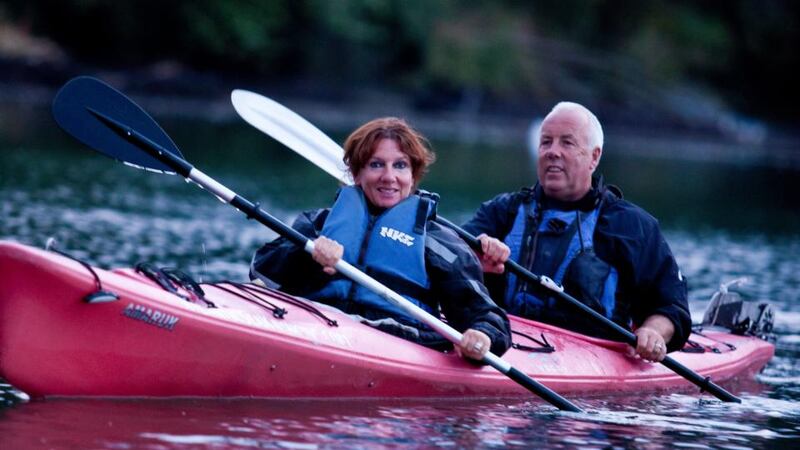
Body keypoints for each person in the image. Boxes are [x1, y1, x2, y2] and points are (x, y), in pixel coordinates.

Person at [250, 117, 511, 361]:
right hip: (314, 327)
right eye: (376, 164)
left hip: (395, 343)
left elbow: (486, 315)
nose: (389, 177)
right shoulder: (318, 224)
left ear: (413, 176)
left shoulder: (438, 243)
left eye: (400, 165)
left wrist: (483, 335)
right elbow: (261, 270)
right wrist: (308, 254)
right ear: (357, 174)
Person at [462, 102, 691, 363]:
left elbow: (671, 305)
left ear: (594, 157)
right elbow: (448, 256)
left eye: (567, 143)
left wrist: (653, 332)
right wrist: (475, 252)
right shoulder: (502, 211)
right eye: (546, 142)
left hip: (591, 355)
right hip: (498, 337)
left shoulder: (631, 226)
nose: (552, 152)